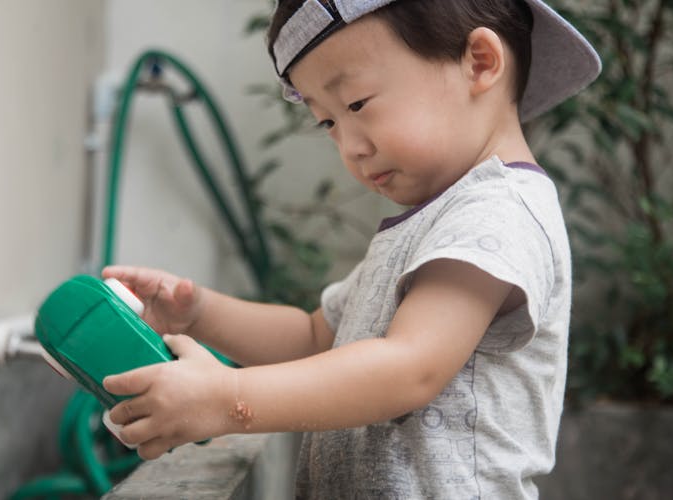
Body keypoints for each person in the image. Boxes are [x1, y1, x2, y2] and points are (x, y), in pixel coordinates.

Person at [101, 0, 601, 497]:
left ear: (480, 62)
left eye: (357, 103)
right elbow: (316, 337)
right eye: (328, 123)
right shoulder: (431, 221)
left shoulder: (498, 210)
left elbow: (409, 368)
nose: (351, 148)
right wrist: (200, 315)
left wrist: (227, 398)